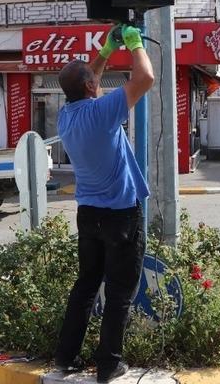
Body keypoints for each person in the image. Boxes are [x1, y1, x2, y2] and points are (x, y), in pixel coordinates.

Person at [53, 24, 153, 383]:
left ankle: (65, 357)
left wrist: (105, 53)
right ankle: (109, 365)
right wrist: (133, 43)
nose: (96, 80)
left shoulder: (67, 116)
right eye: (93, 79)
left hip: (89, 215)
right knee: (119, 292)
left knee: (85, 285)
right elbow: (145, 78)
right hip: (120, 216)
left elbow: (87, 80)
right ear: (91, 89)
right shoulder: (103, 112)